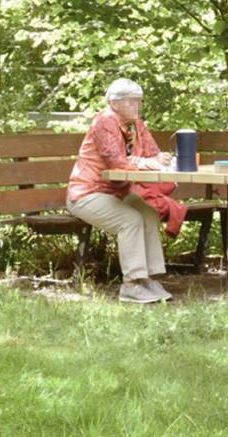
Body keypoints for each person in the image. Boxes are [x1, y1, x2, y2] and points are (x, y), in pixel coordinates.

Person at [67, 78, 175, 303]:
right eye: (132, 101)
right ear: (114, 103)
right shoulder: (105, 122)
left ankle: (149, 278)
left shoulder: (136, 125)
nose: (138, 106)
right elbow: (115, 162)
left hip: (118, 193)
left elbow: (153, 153)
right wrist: (149, 162)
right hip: (88, 193)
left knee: (148, 213)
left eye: (139, 101)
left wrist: (160, 159)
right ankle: (131, 284)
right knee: (130, 220)